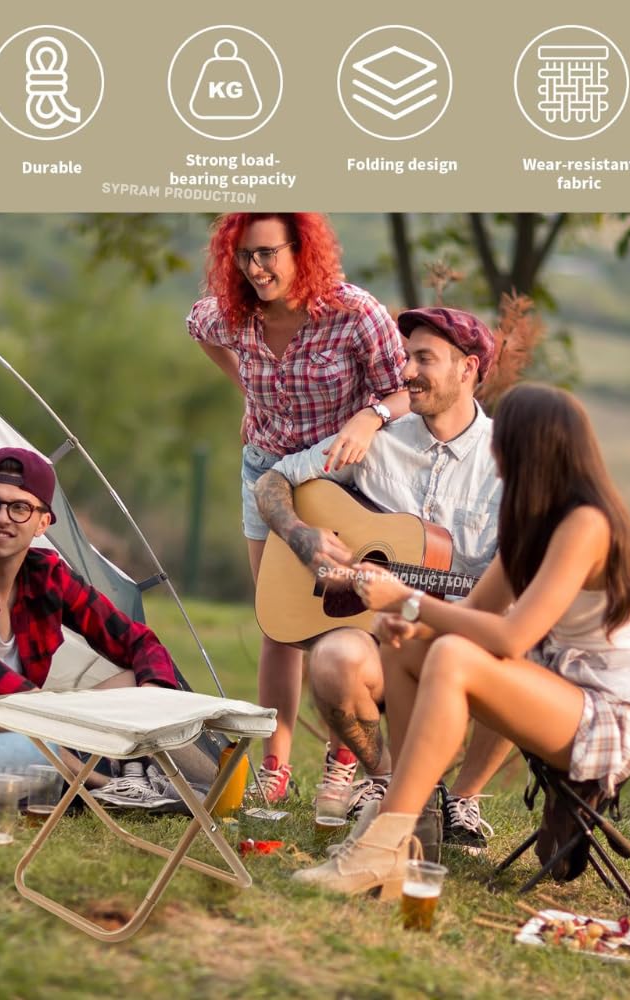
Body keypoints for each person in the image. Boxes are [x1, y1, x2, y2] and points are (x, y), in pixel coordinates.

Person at [291, 382, 630, 898]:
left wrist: (408, 602)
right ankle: (411, 832)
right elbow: (473, 615)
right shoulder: (532, 520)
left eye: (502, 440)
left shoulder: (585, 524)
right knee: (411, 646)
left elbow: (512, 636)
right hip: (559, 691)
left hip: (611, 716)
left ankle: (379, 846)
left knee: (452, 655)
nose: (493, 452)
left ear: (529, 447)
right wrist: (413, 622)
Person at [255, 307, 508, 847]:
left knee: (518, 646)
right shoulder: (378, 440)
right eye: (405, 356)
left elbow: (514, 586)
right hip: (375, 638)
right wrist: (303, 539)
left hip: (455, 633)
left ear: (468, 368)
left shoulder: (506, 462)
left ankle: (460, 801)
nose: (408, 371)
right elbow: (274, 481)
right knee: (331, 659)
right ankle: (385, 778)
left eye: (424, 359)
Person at [188, 212, 409, 801]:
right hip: (265, 473)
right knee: (279, 622)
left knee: (346, 618)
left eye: (267, 254)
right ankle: (275, 771)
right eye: (242, 256)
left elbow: (402, 388)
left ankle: (343, 763)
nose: (254, 269)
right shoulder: (232, 313)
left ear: (301, 248)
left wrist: (371, 415)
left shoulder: (354, 313)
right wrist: (248, 390)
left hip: (338, 480)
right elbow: (199, 327)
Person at [0, 446, 201, 807]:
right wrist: (40, 707)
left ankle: (195, 783)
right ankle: (100, 786)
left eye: (20, 508)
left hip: (28, 727)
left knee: (142, 679)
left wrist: (152, 699)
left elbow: (138, 641)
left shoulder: (49, 576)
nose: (2, 518)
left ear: (43, 523)